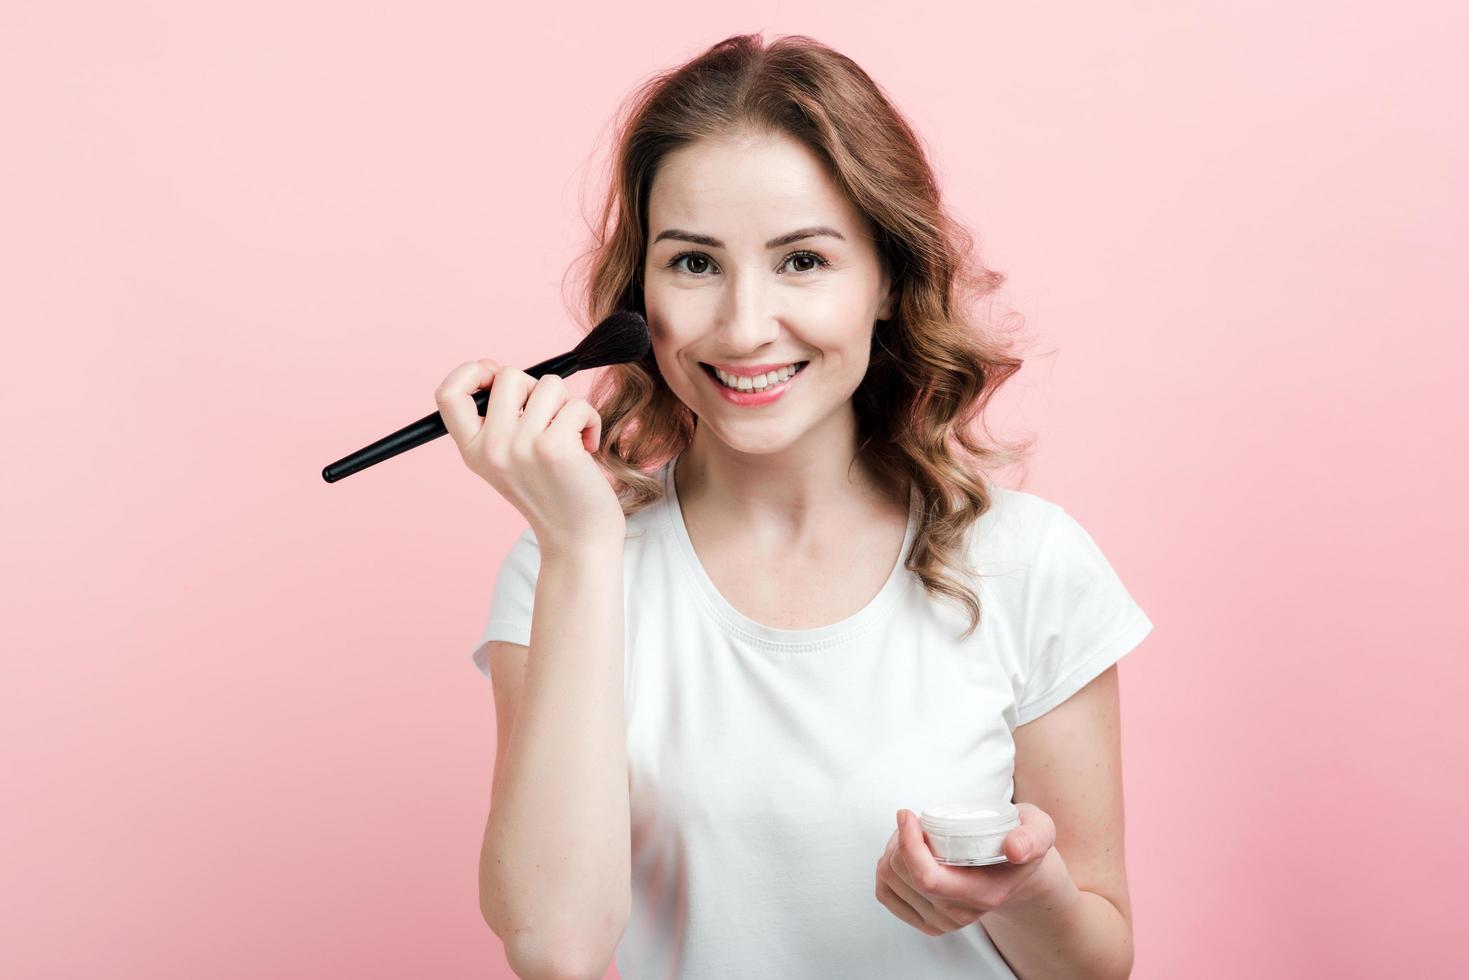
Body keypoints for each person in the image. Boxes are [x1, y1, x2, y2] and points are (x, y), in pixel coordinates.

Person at [438, 32, 1153, 980]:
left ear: (888, 280)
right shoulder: (566, 569)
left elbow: (1095, 965)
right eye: (693, 264)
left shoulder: (1028, 563)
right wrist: (577, 547)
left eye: (802, 262)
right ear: (640, 292)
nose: (742, 327)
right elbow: (557, 949)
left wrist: (1022, 893)